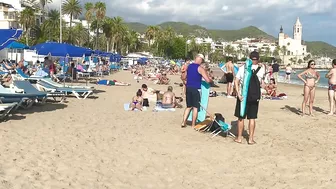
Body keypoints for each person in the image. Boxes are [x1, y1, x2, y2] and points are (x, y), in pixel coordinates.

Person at [234, 51, 265, 145]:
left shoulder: (243, 68)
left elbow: (236, 81)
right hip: (254, 96)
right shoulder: (261, 69)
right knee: (252, 118)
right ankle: (250, 139)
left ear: (249, 58)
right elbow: (262, 83)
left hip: (243, 95)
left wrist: (238, 93)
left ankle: (239, 138)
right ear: (258, 59)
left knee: (241, 117)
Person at [181, 54, 212, 128]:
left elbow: (183, 77)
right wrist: (211, 80)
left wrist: (186, 82)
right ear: (200, 60)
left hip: (188, 88)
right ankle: (193, 124)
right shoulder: (200, 68)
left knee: (188, 107)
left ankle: (183, 122)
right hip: (196, 89)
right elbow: (207, 80)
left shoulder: (189, 66)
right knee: (195, 107)